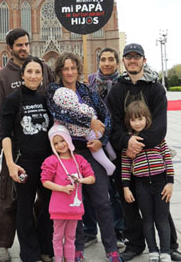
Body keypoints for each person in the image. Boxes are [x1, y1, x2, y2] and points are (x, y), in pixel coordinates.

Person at [107, 43, 181, 262]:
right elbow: (113, 125)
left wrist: (138, 144)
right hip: (127, 157)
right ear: (124, 62)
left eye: (136, 57)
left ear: (143, 60)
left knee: (160, 203)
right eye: (128, 57)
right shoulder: (117, 90)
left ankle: (170, 245)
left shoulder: (155, 88)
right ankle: (136, 244)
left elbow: (160, 126)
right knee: (129, 203)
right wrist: (127, 142)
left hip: (152, 156)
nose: (132, 60)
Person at [46, 52, 122, 262]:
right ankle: (76, 249)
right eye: (65, 68)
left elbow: (106, 116)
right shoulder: (54, 90)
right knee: (74, 204)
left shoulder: (87, 90)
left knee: (102, 201)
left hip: (90, 152)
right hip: (68, 156)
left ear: (78, 69)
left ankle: (111, 249)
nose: (69, 72)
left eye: (73, 68)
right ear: (60, 71)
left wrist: (102, 140)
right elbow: (59, 114)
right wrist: (89, 122)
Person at [0, 28, 54, 262]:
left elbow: (56, 107)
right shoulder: (4, 76)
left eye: (26, 44)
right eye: (19, 45)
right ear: (10, 48)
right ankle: (1, 243)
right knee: (9, 198)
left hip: (44, 155)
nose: (24, 48)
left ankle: (42, 245)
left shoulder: (45, 68)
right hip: (16, 154)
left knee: (45, 203)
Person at [1, 56, 53, 262]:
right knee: (24, 208)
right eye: (29, 72)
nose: (33, 76)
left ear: (42, 76)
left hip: (48, 163)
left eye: (37, 72)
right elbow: (5, 134)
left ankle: (44, 247)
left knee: (50, 205)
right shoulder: (13, 100)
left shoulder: (45, 99)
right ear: (22, 75)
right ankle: (29, 253)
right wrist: (11, 164)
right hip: (24, 163)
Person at [122, 100, 174, 262]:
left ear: (147, 119)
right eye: (133, 120)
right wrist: (126, 188)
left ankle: (165, 251)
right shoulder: (129, 142)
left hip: (161, 184)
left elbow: (168, 159)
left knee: (162, 219)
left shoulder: (157, 138)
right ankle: (153, 251)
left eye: (140, 119)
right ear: (128, 121)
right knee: (148, 219)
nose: (137, 123)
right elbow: (125, 166)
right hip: (141, 185)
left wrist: (170, 183)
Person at [86, 48, 125, 249]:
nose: (107, 63)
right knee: (92, 189)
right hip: (95, 143)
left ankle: (119, 230)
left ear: (117, 63)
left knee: (117, 191)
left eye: (111, 59)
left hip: (117, 143)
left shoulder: (123, 83)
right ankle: (89, 232)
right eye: (103, 59)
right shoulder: (90, 82)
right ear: (98, 61)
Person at [41, 124, 95, 262]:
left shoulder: (79, 160)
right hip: (58, 208)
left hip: (75, 208)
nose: (60, 145)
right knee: (57, 237)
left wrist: (80, 180)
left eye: (62, 140)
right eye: (56, 143)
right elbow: (45, 181)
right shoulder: (51, 161)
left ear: (68, 139)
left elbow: (92, 178)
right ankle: (58, 259)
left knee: (71, 238)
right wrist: (62, 188)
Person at [52, 86, 116, 175]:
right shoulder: (81, 106)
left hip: (89, 134)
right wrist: (93, 119)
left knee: (96, 151)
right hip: (97, 129)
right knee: (104, 140)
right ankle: (112, 154)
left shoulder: (67, 113)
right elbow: (91, 111)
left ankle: (109, 166)